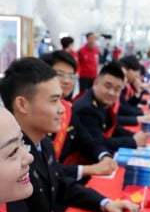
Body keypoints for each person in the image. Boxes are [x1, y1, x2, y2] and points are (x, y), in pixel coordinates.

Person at [0, 58, 138, 212]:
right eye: (54, 101)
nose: (63, 109)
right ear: (22, 104)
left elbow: (61, 183)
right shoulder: (6, 156)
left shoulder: (42, 142)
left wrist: (105, 203)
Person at [39, 51, 117, 180]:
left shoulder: (68, 108)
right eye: (59, 75)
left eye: (71, 76)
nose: (67, 81)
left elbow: (86, 140)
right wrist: (88, 169)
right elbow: (40, 168)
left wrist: (104, 156)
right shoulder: (36, 112)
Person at [73, 62, 149, 153]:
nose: (111, 93)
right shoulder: (86, 108)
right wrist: (132, 141)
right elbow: (97, 143)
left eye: (117, 89)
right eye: (107, 86)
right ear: (96, 82)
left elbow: (113, 127)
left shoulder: (101, 101)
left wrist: (134, 135)